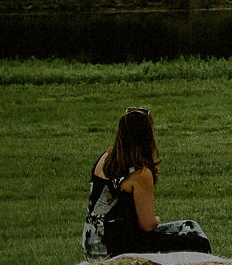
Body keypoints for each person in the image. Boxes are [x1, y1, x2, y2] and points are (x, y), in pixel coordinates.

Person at [84, 108, 212, 257]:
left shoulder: (106, 158)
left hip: (92, 243)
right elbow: (147, 225)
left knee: (189, 226)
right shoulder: (140, 173)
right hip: (117, 248)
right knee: (196, 241)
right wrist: (156, 220)